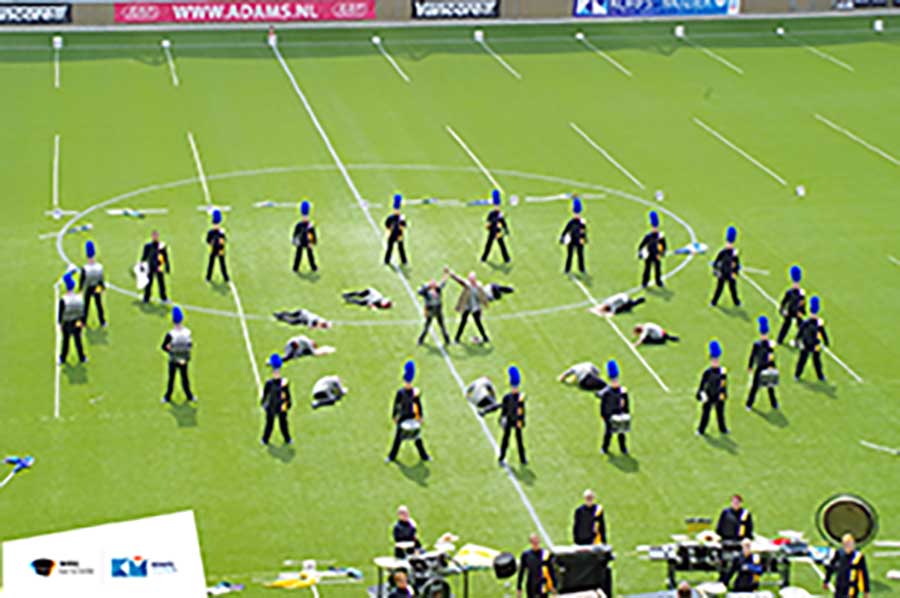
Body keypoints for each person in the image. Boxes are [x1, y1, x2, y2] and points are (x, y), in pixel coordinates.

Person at [386, 361, 430, 463]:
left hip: (412, 416)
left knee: (417, 438)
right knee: (398, 439)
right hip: (402, 417)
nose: (408, 384)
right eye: (407, 383)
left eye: (409, 383)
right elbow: (396, 404)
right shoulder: (400, 393)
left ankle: (424, 456)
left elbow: (418, 405)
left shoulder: (415, 393)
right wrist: (394, 415)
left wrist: (420, 416)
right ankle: (391, 457)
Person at [161, 306, 195, 403]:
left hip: (173, 359)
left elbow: (163, 346)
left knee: (171, 379)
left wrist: (171, 350)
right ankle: (189, 396)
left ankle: (167, 397)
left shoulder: (171, 334)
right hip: (183, 359)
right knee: (185, 378)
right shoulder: (187, 332)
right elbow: (189, 345)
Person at [447, 268, 490, 344]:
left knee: (478, 323)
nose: (470, 281)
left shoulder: (479, 286)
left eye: (471, 279)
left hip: (475, 307)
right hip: (467, 307)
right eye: (470, 279)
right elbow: (459, 280)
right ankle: (457, 338)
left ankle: (485, 337)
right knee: (463, 322)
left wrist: (483, 305)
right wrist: (451, 274)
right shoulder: (467, 285)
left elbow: (482, 297)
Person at [747, 316, 779, 410]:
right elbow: (752, 356)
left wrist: (773, 366)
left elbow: (771, 357)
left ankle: (774, 404)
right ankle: (749, 404)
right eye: (762, 334)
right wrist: (750, 366)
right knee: (754, 387)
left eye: (765, 334)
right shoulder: (756, 345)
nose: (764, 336)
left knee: (770, 387)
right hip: (759, 367)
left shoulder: (770, 345)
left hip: (767, 366)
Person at [696, 340, 728, 436]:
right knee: (705, 414)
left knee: (720, 414)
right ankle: (700, 430)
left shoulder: (722, 372)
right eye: (713, 361)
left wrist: (723, 394)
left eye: (716, 361)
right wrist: (701, 394)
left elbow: (724, 384)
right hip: (709, 395)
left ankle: (723, 429)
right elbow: (702, 385)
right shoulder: (707, 372)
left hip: (718, 395)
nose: (715, 362)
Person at [795, 295, 829, 382]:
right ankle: (797, 375)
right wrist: (797, 340)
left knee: (816, 361)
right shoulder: (809, 323)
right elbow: (800, 332)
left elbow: (822, 332)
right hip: (808, 343)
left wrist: (826, 341)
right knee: (803, 360)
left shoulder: (814, 323)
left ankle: (820, 376)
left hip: (813, 344)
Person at [824, 533, 870, 598]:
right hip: (839, 587)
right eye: (846, 544)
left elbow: (864, 574)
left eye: (850, 544)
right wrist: (826, 580)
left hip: (851, 589)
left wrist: (866, 591)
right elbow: (831, 567)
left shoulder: (858, 557)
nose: (849, 546)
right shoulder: (839, 553)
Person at [599, 360, 629, 455]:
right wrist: (603, 415)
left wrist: (626, 412)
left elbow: (626, 403)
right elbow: (603, 404)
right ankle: (604, 448)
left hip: (619, 413)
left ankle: (623, 448)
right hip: (609, 415)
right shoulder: (607, 392)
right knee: (608, 433)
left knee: (621, 432)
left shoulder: (622, 392)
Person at [498, 366, 527, 466]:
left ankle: (523, 459)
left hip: (517, 420)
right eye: (514, 387)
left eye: (516, 387)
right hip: (509, 420)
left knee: (519, 440)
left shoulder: (520, 398)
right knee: (505, 440)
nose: (515, 389)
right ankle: (501, 457)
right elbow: (504, 409)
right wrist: (502, 418)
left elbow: (521, 410)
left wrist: (521, 421)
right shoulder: (507, 397)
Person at [260, 354, 292, 445]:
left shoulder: (284, 383)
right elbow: (265, 394)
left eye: (277, 373)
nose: (276, 374)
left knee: (283, 424)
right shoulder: (269, 383)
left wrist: (288, 403)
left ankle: (287, 439)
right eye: (275, 373)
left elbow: (287, 394)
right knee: (269, 424)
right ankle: (265, 439)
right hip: (271, 406)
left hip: (281, 406)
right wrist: (263, 403)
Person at [58, 272, 87, 364]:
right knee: (78, 341)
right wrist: (83, 322)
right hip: (77, 322)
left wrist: (60, 323)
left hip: (67, 323)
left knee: (66, 342)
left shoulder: (63, 299)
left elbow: (60, 313)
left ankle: (62, 358)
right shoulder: (79, 298)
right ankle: (82, 357)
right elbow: (82, 311)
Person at [517, 533, 557, 598]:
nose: (535, 542)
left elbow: (551, 570)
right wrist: (519, 587)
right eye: (533, 541)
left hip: (542, 584)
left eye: (536, 540)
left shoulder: (545, 554)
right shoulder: (526, 555)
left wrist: (553, 585)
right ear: (530, 542)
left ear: (539, 540)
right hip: (531, 585)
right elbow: (521, 571)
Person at [710, 226, 741, 307]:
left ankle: (736, 302)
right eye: (728, 243)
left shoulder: (734, 254)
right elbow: (716, 263)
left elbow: (736, 264)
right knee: (719, 288)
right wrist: (717, 272)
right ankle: (713, 302)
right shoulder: (722, 252)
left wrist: (735, 272)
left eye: (730, 244)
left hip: (730, 274)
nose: (729, 245)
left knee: (733, 289)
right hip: (722, 273)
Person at [417, 274, 450, 346]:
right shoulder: (426, 291)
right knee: (427, 326)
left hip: (438, 309)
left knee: (442, 326)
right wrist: (427, 287)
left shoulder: (438, 289)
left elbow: (442, 284)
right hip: (430, 310)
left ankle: (447, 340)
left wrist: (445, 276)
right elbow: (419, 292)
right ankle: (420, 340)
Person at [79, 240, 106, 327]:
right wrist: (102, 288)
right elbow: (101, 279)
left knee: (88, 305)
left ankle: (84, 322)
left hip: (90, 287)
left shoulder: (85, 268)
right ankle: (102, 321)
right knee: (97, 305)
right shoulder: (99, 267)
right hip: (96, 287)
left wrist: (80, 289)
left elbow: (82, 280)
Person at [777, 265, 806, 345]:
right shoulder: (791, 292)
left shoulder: (800, 293)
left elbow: (802, 303)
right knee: (786, 325)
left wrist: (801, 311)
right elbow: (784, 302)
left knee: (801, 326)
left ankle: (798, 340)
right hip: (790, 311)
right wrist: (782, 310)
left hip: (796, 312)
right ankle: (779, 340)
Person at [638, 210, 667, 288]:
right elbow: (641, 245)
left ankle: (658, 282)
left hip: (656, 255)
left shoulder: (660, 236)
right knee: (647, 269)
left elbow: (663, 245)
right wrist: (640, 253)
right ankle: (644, 283)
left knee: (658, 269)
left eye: (655, 228)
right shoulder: (648, 236)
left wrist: (662, 252)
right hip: (649, 255)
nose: (654, 229)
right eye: (653, 228)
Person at [140, 230, 170, 303]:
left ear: (158, 236)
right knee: (148, 283)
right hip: (150, 267)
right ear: (152, 236)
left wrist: (167, 265)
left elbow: (165, 257)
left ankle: (164, 298)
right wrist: (141, 265)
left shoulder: (162, 246)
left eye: (156, 235)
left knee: (161, 283)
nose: (155, 237)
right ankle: (146, 298)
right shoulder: (147, 246)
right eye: (154, 235)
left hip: (158, 267)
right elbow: (144, 257)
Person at [482, 189, 511, 263]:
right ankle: (484, 258)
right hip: (492, 232)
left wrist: (506, 229)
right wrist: (491, 224)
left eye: (497, 206)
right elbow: (487, 225)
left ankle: (507, 259)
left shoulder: (500, 214)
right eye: (496, 206)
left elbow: (503, 223)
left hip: (498, 232)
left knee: (502, 246)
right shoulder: (491, 214)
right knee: (488, 245)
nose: (497, 207)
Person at [560, 197, 587, 274]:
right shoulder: (571, 222)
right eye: (576, 214)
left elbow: (583, 232)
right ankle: (567, 270)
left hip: (579, 241)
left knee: (580, 255)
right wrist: (562, 237)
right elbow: (566, 230)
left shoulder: (582, 223)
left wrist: (583, 240)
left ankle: (582, 269)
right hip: (571, 241)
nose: (577, 215)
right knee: (570, 256)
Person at [292, 200, 318, 273]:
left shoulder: (310, 226)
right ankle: (295, 268)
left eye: (306, 217)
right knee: (298, 256)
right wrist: (295, 241)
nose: (305, 218)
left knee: (310, 255)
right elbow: (295, 234)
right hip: (300, 242)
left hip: (308, 242)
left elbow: (312, 235)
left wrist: (312, 242)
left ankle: (314, 267)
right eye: (304, 217)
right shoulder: (299, 225)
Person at [205, 208, 230, 283]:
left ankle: (226, 277)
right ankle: (208, 277)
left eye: (217, 225)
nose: (216, 226)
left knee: (222, 264)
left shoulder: (221, 232)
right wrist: (212, 243)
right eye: (215, 225)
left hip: (220, 250)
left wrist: (221, 242)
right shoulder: (211, 232)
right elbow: (207, 240)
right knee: (211, 264)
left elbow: (224, 240)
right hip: (213, 249)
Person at [384, 194, 408, 266]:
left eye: (397, 210)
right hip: (392, 235)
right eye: (395, 210)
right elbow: (387, 225)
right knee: (389, 248)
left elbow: (404, 226)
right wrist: (389, 230)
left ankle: (404, 261)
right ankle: (386, 260)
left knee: (401, 248)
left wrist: (401, 225)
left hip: (399, 235)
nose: (396, 211)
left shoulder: (401, 218)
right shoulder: (390, 218)